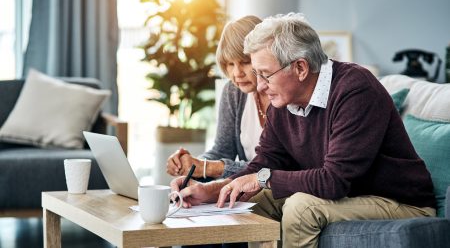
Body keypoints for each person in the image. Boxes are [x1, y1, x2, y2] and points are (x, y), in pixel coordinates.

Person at [170, 13, 436, 248]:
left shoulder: (355, 89)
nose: (260, 86)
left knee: (300, 206)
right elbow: (263, 164)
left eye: (265, 74)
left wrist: (264, 178)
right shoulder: (283, 101)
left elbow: (334, 181)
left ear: (300, 67)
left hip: (399, 202)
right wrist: (213, 190)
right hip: (348, 195)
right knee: (249, 205)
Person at [166, 15, 269, 180]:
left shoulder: (283, 92)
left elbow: (274, 168)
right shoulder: (233, 91)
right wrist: (192, 165)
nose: (237, 74)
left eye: (245, 61)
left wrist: (208, 168)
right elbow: (222, 150)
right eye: (230, 64)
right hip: (245, 191)